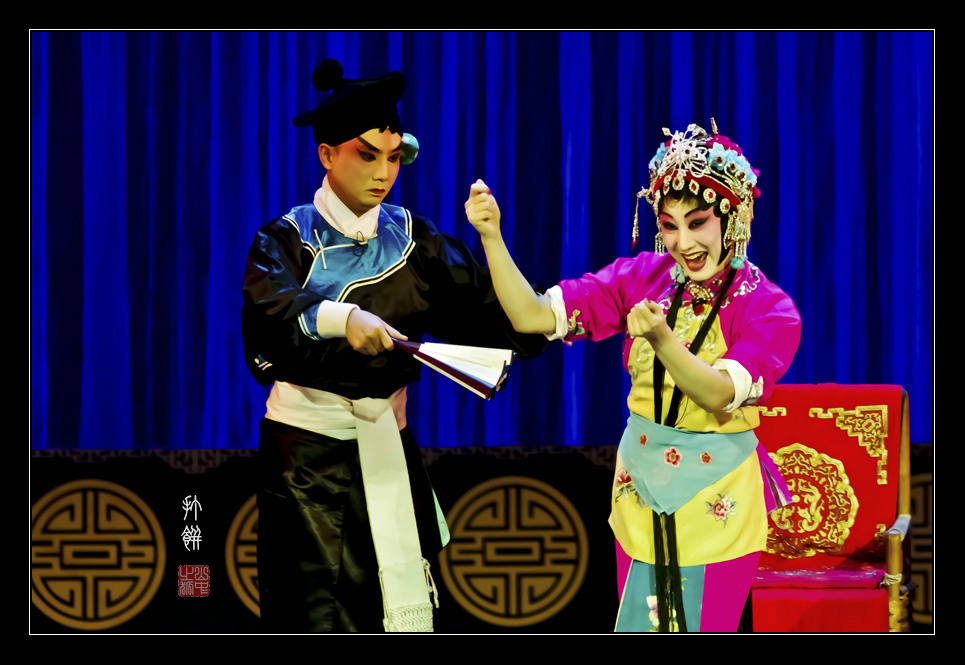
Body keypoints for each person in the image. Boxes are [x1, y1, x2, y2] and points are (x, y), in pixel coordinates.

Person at [242, 59, 545, 633]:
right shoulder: (285, 239)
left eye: (394, 157)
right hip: (306, 462)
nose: (384, 173)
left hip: (389, 446)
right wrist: (342, 318)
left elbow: (499, 319)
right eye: (367, 155)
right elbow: (271, 317)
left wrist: (495, 243)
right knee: (312, 613)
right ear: (327, 154)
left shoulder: (417, 239)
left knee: (393, 609)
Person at [465, 121, 801, 632]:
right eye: (669, 225)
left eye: (698, 223)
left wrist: (663, 340)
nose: (683, 242)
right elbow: (532, 316)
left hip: (719, 490)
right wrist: (491, 238)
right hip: (640, 483)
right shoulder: (642, 276)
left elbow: (719, 395)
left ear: (735, 214)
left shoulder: (769, 309)